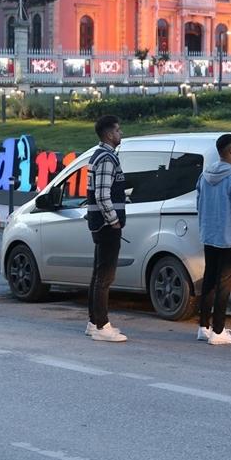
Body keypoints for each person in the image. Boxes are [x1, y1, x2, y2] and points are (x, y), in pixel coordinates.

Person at [195, 134, 231, 345]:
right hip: (230, 239)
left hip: (210, 236)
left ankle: (204, 327)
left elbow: (199, 205)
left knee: (209, 281)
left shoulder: (204, 175)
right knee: (224, 286)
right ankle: (218, 331)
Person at [84, 115, 128, 343]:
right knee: (105, 277)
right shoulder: (107, 158)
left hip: (99, 223)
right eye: (118, 130)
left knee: (98, 274)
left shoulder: (98, 155)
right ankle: (102, 325)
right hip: (106, 225)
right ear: (110, 134)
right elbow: (102, 195)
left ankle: (94, 323)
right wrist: (114, 219)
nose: (121, 134)